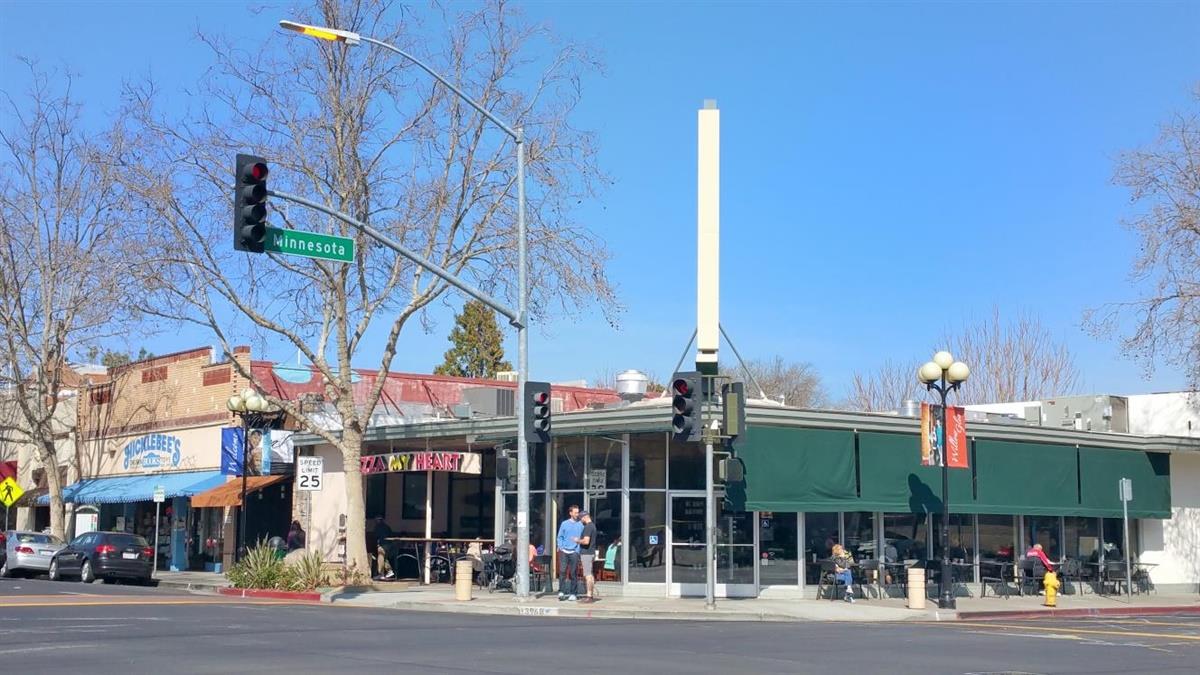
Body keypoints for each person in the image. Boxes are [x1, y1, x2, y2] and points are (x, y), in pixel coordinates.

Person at [555, 504, 584, 602]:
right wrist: (561, 546)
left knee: (573, 572)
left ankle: (573, 593)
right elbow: (560, 536)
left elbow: (582, 538)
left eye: (578, 512)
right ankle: (561, 591)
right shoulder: (564, 524)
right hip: (564, 551)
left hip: (574, 551)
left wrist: (577, 550)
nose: (577, 514)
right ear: (570, 513)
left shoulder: (580, 525)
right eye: (575, 513)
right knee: (562, 571)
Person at [577, 511, 598, 603]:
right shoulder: (593, 526)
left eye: (581, 518)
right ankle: (590, 595)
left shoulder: (588, 527)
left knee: (587, 575)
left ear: (585, 517)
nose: (581, 520)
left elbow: (586, 541)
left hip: (586, 553)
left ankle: (589, 596)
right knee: (590, 574)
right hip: (591, 553)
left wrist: (577, 540)